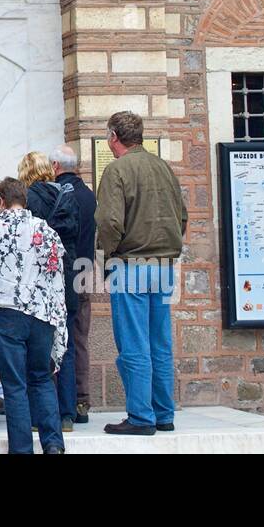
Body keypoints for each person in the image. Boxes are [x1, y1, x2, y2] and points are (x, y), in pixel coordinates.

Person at [97, 111, 187, 436]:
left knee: (134, 344)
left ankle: (141, 417)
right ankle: (163, 414)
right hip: (163, 265)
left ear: (113, 137)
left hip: (131, 264)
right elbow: (182, 216)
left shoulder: (116, 170)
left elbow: (109, 222)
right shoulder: (164, 168)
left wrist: (106, 257)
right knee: (159, 344)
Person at [0, 177, 69, 455]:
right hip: (41, 313)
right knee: (41, 377)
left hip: (6, 314)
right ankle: (53, 444)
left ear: (0, 201)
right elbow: (56, 273)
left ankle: (22, 448)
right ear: (24, 200)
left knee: (14, 385)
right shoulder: (45, 229)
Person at [19, 151, 81, 431]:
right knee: (64, 346)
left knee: (35, 349)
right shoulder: (68, 195)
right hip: (65, 277)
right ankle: (66, 414)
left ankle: (38, 416)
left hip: (35, 284)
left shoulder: (27, 200)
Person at [51, 144, 97, 424]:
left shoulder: (57, 194)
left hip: (61, 273)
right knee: (78, 337)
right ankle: (81, 401)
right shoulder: (88, 194)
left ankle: (60, 401)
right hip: (84, 270)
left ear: (55, 166)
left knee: (56, 338)